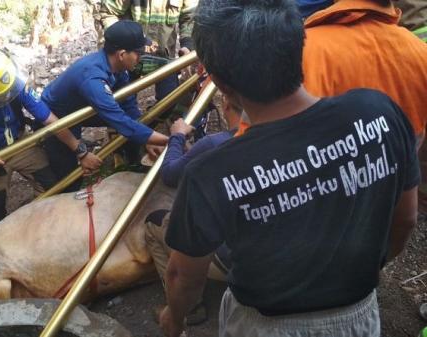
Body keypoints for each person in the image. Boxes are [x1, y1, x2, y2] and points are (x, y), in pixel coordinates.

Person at [159, 1, 419, 337]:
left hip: (264, 325)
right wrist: (370, 266)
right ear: (299, 43)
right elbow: (407, 218)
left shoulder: (212, 171)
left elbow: (184, 275)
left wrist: (173, 318)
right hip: (358, 316)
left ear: (220, 84)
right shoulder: (379, 113)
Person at [0, 44, 102, 227]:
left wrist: (80, 151)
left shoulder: (11, 82)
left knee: (51, 186)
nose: (6, 95)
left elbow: (50, 119)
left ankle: (40, 224)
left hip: (21, 142)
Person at [301, 0, 427, 212]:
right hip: (386, 198)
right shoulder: (419, 53)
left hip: (325, 202)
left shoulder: (308, 48)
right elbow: (406, 219)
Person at [144, 95, 241, 325]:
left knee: (152, 223)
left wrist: (176, 136)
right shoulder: (277, 132)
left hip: (227, 256)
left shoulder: (214, 144)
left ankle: (186, 307)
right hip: (264, 250)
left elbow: (170, 175)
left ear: (226, 105)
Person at [40, 20, 169, 191]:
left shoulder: (119, 67)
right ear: (122, 54)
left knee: (131, 125)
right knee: (68, 177)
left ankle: (130, 160)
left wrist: (147, 140)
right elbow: (120, 120)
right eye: (138, 53)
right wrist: (171, 140)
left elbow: (128, 106)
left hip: (81, 107)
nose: (140, 58)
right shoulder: (93, 79)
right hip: (57, 116)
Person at [98, 0, 198, 101]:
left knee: (168, 102)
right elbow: (108, 13)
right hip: (129, 57)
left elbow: (190, 17)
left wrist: (187, 44)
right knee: (121, 101)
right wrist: (123, 40)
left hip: (164, 57)